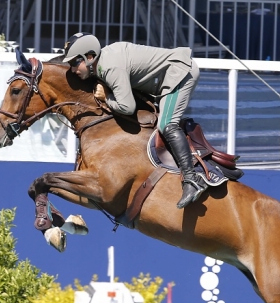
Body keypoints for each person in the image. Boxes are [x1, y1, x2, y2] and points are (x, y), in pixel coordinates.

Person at [62, 32, 207, 209]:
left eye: (75, 62)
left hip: (179, 75)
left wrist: (107, 97)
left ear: (90, 57)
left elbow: (127, 107)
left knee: (166, 124)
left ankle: (192, 180)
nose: (72, 69)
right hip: (168, 78)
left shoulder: (110, 68)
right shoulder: (103, 64)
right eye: (69, 64)